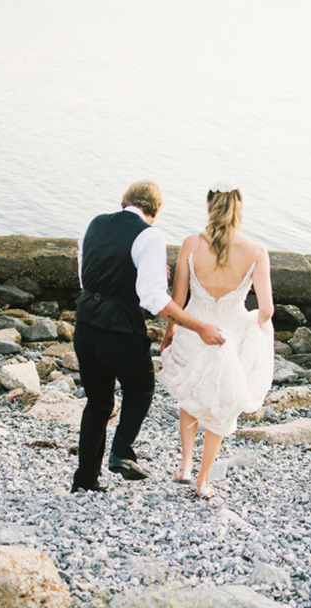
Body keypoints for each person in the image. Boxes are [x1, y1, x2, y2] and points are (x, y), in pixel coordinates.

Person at [71, 180, 224, 493]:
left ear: (125, 200)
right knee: (140, 388)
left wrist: (142, 272)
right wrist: (200, 327)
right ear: (155, 211)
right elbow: (153, 300)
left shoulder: (94, 224)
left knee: (98, 404)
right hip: (121, 331)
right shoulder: (150, 235)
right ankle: (122, 451)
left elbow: (85, 275)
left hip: (85, 327)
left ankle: (85, 480)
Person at [159, 179, 275, 499]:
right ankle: (204, 480)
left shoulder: (191, 244)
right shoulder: (256, 252)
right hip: (230, 337)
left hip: (193, 330)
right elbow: (266, 310)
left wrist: (169, 333)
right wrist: (252, 325)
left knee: (190, 394)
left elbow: (177, 300)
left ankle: (184, 464)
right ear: (239, 208)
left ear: (210, 205)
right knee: (220, 406)